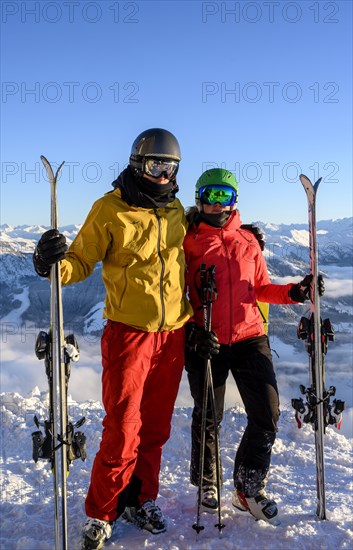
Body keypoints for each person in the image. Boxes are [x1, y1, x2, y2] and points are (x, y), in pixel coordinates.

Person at [33, 128, 193, 549]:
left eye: (170, 166)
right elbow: (82, 259)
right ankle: (102, 511)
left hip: (173, 334)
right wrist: (53, 266)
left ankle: (142, 499)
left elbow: (204, 245)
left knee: (155, 428)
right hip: (129, 336)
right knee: (123, 428)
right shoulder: (109, 208)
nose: (162, 174)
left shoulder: (176, 210)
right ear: (138, 164)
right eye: (155, 164)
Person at [183, 168, 324, 525]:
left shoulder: (248, 241)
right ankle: (207, 484)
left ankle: (247, 488)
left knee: (267, 414)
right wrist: (192, 331)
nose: (217, 204)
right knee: (208, 416)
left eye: (224, 196)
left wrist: (295, 292)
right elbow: (173, 294)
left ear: (234, 201)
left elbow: (260, 287)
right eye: (211, 195)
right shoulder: (186, 242)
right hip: (206, 340)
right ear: (198, 197)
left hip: (249, 338)